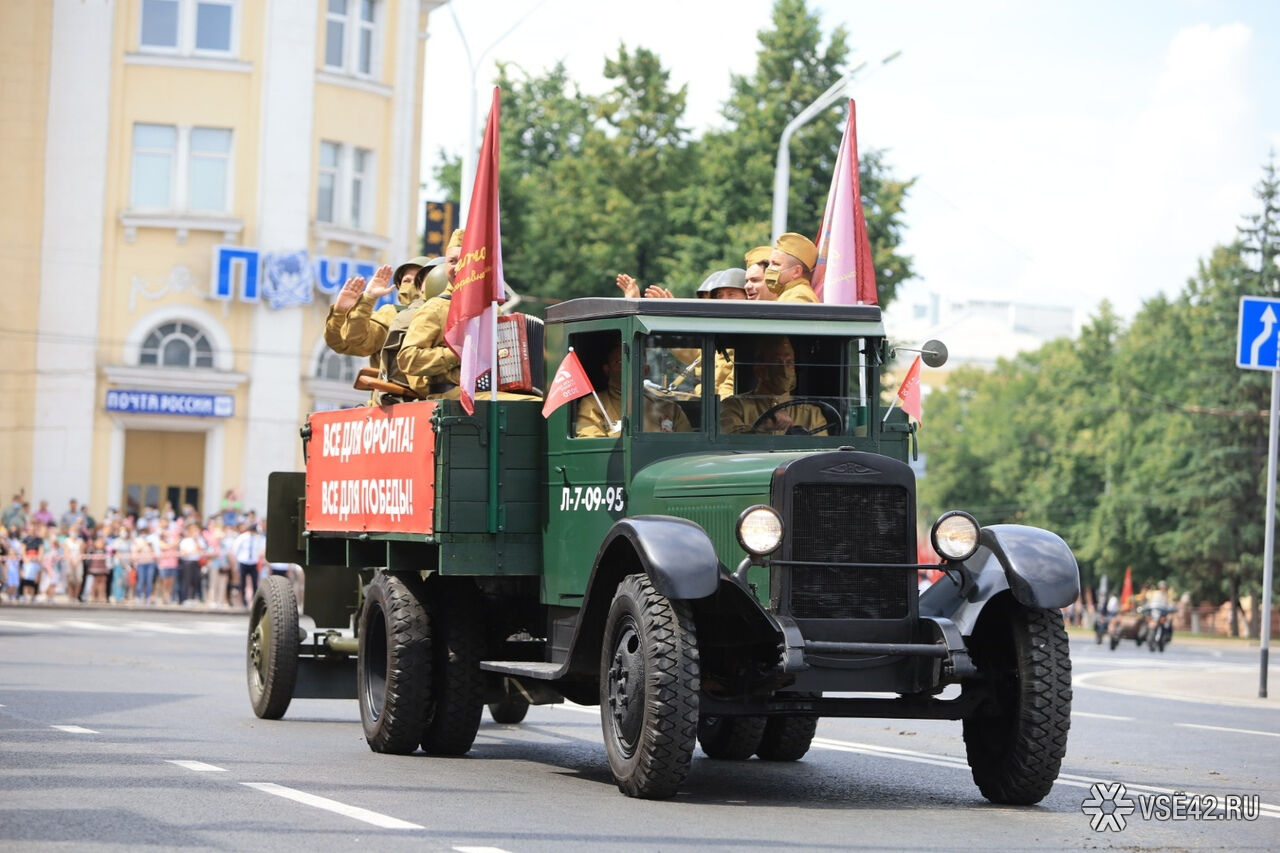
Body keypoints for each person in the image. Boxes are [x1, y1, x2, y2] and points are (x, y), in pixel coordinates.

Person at [324, 253, 433, 372]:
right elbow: (348, 342)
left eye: (418, 279)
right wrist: (341, 312)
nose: (410, 284)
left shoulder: (446, 312)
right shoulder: (391, 314)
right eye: (406, 280)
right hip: (394, 389)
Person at [398, 229, 465, 398]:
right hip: (449, 394)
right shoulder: (435, 308)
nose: (458, 267)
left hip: (485, 391)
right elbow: (408, 360)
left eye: (464, 261)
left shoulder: (491, 309)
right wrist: (457, 354)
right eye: (452, 261)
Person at [574, 342, 691, 438]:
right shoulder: (593, 405)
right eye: (619, 362)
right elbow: (593, 447)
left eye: (636, 362)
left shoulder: (670, 409)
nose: (628, 367)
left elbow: (688, 447)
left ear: (646, 370)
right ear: (607, 369)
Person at [720, 336, 832, 435]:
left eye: (789, 363)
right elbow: (727, 442)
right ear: (760, 369)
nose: (784, 371)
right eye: (776, 363)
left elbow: (819, 454)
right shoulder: (735, 406)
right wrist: (761, 428)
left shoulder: (812, 414)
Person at [765, 233, 819, 303]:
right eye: (769, 264)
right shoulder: (789, 294)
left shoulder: (798, 297)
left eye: (776, 264)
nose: (769, 269)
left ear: (796, 271)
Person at [232, 522, 266, 606]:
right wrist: (236, 560)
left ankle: (255, 601)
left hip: (253, 562)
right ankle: (243, 601)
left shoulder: (259, 538)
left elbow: (262, 548)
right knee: (242, 582)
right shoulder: (243, 537)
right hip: (243, 561)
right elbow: (235, 549)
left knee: (255, 582)